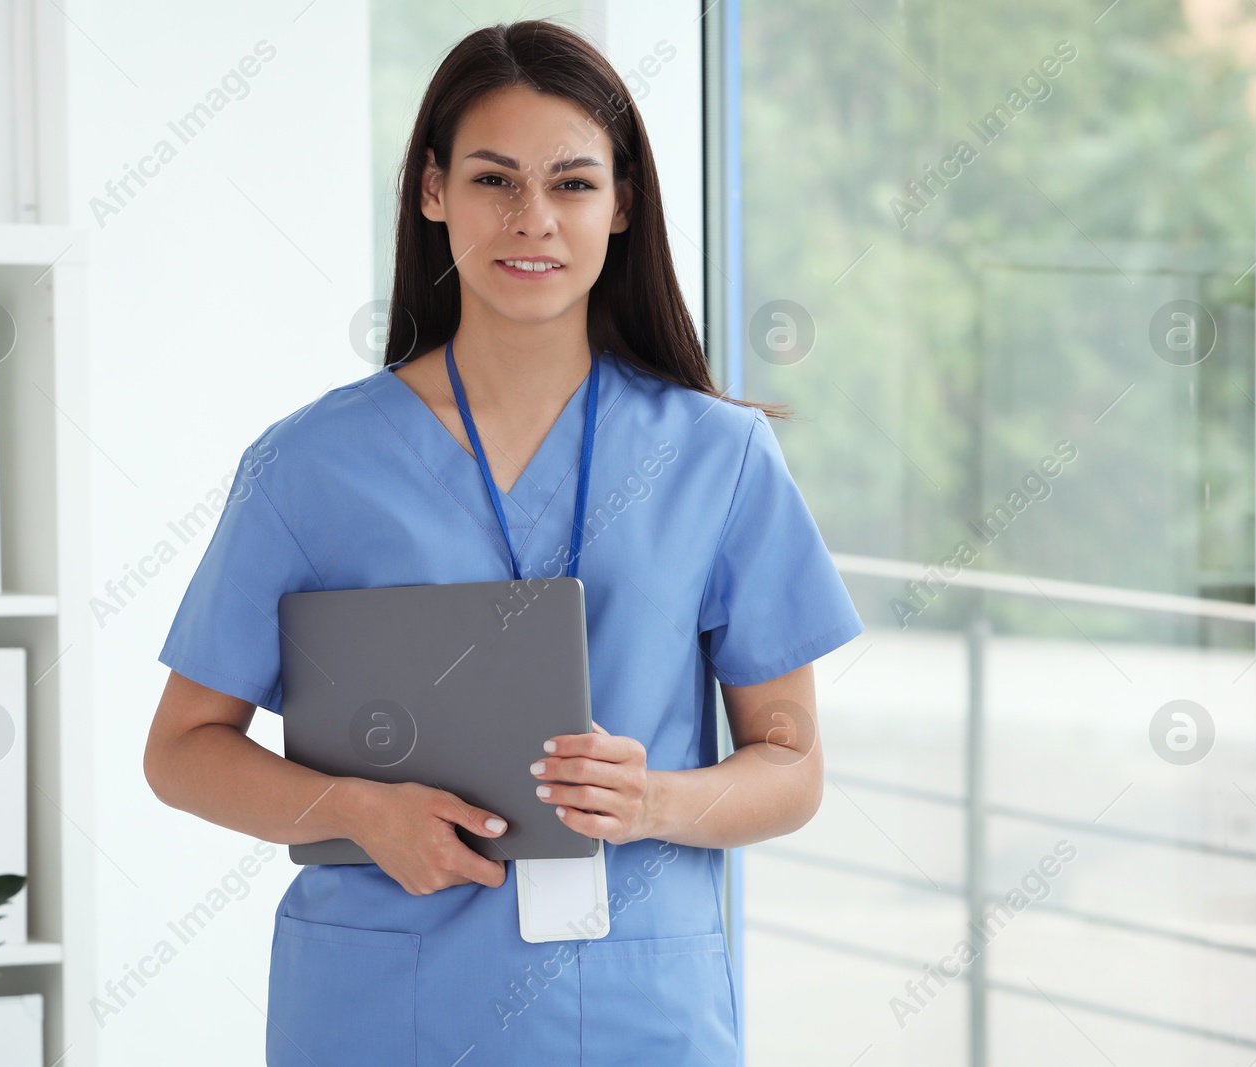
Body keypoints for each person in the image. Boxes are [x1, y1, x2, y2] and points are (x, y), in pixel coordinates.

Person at [143, 18, 864, 1066]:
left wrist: (655, 797)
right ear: (432, 191)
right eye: (494, 180)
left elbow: (791, 765)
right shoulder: (308, 464)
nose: (533, 220)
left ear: (622, 204)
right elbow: (180, 749)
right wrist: (352, 807)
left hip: (634, 1009)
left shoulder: (721, 457)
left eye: (572, 183)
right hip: (382, 1008)